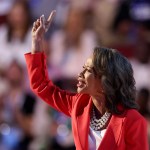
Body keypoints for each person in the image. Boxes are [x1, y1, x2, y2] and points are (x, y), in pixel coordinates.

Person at [24, 10, 149, 150]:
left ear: (104, 81)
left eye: (88, 70)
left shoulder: (133, 121)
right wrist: (37, 41)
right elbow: (41, 85)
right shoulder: (79, 105)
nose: (80, 74)